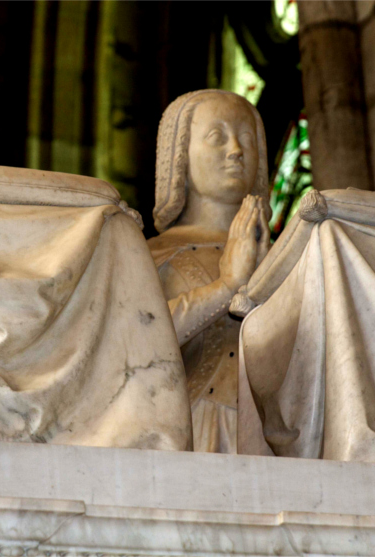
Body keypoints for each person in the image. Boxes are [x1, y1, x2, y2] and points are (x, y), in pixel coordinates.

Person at [148, 89, 270, 453]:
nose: (236, 150)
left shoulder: (286, 255)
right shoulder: (149, 255)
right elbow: (132, 342)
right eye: (217, 138)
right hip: (193, 432)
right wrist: (228, 286)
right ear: (180, 156)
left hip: (276, 438)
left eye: (247, 138)